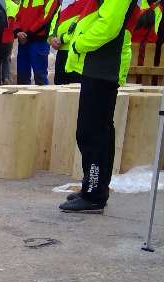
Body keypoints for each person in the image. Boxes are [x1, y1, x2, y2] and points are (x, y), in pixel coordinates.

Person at [58, 0, 135, 213]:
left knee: (94, 133)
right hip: (97, 65)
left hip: (104, 66)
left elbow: (108, 25)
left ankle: (94, 194)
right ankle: (91, 189)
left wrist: (79, 44)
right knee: (91, 131)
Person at [48, 0, 92, 84]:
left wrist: (62, 39)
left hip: (77, 52)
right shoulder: (63, 2)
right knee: (59, 85)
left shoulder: (88, 2)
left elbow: (82, 25)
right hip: (61, 51)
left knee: (75, 87)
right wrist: (51, 37)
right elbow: (55, 20)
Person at [13, 0, 56, 84]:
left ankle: (43, 97)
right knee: (22, 77)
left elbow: (46, 17)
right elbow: (17, 16)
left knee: (40, 77)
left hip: (38, 41)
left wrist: (27, 34)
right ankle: (22, 97)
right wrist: (17, 31)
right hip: (24, 41)